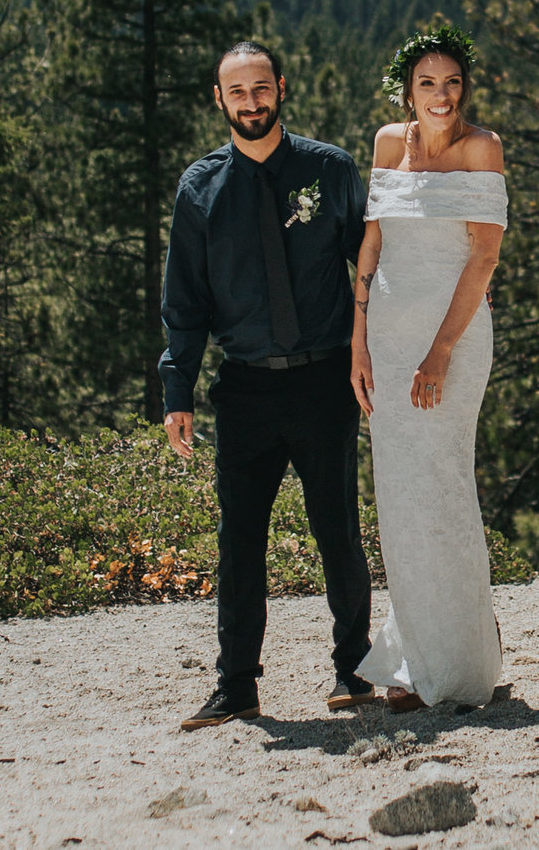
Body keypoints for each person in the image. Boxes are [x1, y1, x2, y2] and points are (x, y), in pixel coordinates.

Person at [162, 41, 379, 730]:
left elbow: (372, 269)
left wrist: (382, 350)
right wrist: (178, 390)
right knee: (239, 540)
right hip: (244, 388)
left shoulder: (330, 168)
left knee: (337, 529)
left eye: (261, 87)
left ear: (281, 87)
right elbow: (185, 300)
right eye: (238, 91)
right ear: (219, 99)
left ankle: (354, 667)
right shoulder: (199, 188)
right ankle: (236, 685)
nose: (251, 101)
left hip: (324, 381)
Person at [351, 21, 508, 710]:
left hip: (453, 337)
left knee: (443, 487)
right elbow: (373, 238)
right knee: (399, 496)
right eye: (426, 83)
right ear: (406, 89)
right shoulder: (389, 142)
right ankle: (414, 657)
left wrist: (440, 349)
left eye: (450, 82)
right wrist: (357, 333)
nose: (440, 95)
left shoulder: (483, 148)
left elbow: (484, 258)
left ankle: (463, 665)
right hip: (385, 339)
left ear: (463, 87)